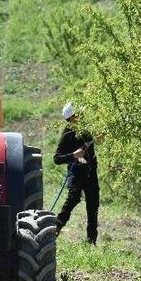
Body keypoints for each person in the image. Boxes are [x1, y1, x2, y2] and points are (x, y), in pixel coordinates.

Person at [53, 103, 100, 244]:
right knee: (73, 198)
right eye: (78, 114)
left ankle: (91, 241)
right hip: (76, 172)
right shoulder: (67, 134)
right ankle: (56, 227)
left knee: (93, 205)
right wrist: (73, 155)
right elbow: (57, 158)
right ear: (72, 117)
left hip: (91, 173)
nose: (82, 116)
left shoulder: (86, 129)